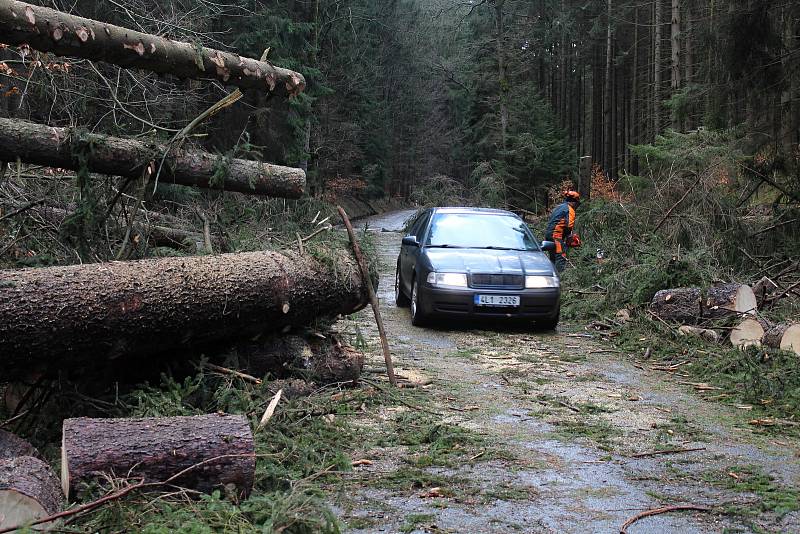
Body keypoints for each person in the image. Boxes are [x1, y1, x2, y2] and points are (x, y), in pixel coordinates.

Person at [545, 190, 581, 273]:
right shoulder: (570, 209)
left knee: (553, 257)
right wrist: (569, 237)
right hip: (556, 236)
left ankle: (550, 275)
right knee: (561, 257)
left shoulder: (559, 207)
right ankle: (559, 279)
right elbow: (569, 226)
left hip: (549, 235)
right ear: (574, 202)